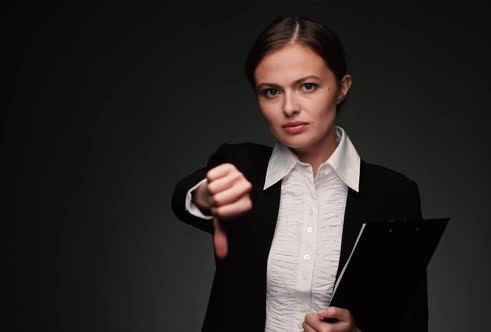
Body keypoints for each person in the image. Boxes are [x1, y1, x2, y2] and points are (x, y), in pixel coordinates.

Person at [171, 16, 427, 332]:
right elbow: (185, 197)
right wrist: (208, 195)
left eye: (307, 86)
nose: (289, 107)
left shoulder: (394, 195)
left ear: (341, 88)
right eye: (271, 92)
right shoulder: (242, 167)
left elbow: (410, 321)